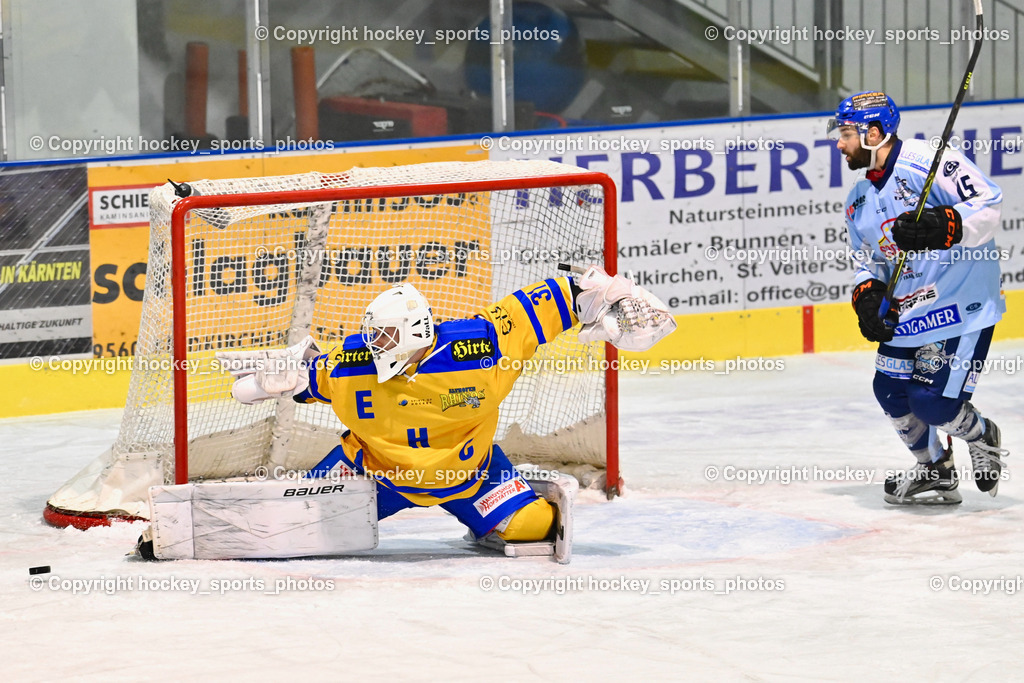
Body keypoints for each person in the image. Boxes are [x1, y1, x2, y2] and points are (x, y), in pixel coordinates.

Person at [220, 266, 675, 561]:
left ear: (416, 333)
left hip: (470, 473)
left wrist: (611, 293)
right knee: (294, 529)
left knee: (534, 528)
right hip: (374, 474)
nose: (371, 344)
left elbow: (558, 296)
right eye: (371, 335)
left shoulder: (483, 345)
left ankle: (503, 505)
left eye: (383, 337)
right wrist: (267, 383)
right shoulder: (351, 363)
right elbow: (257, 388)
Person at [828, 90, 1008, 505]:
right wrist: (868, 296)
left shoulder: (928, 160)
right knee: (889, 391)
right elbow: (868, 261)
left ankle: (982, 434)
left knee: (931, 403)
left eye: (847, 133)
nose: (840, 143)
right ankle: (935, 470)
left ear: (874, 133)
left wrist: (942, 225)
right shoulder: (857, 200)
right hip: (910, 309)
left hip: (961, 302)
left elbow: (989, 204)